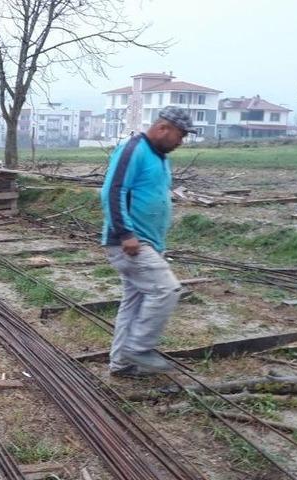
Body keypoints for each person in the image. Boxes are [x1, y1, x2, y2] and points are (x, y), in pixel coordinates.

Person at [99, 106, 195, 378]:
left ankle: (121, 364)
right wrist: (126, 234)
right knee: (167, 290)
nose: (181, 141)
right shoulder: (134, 149)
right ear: (163, 128)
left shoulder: (159, 156)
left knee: (134, 304)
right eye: (181, 135)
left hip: (147, 242)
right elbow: (112, 191)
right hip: (130, 243)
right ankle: (140, 348)